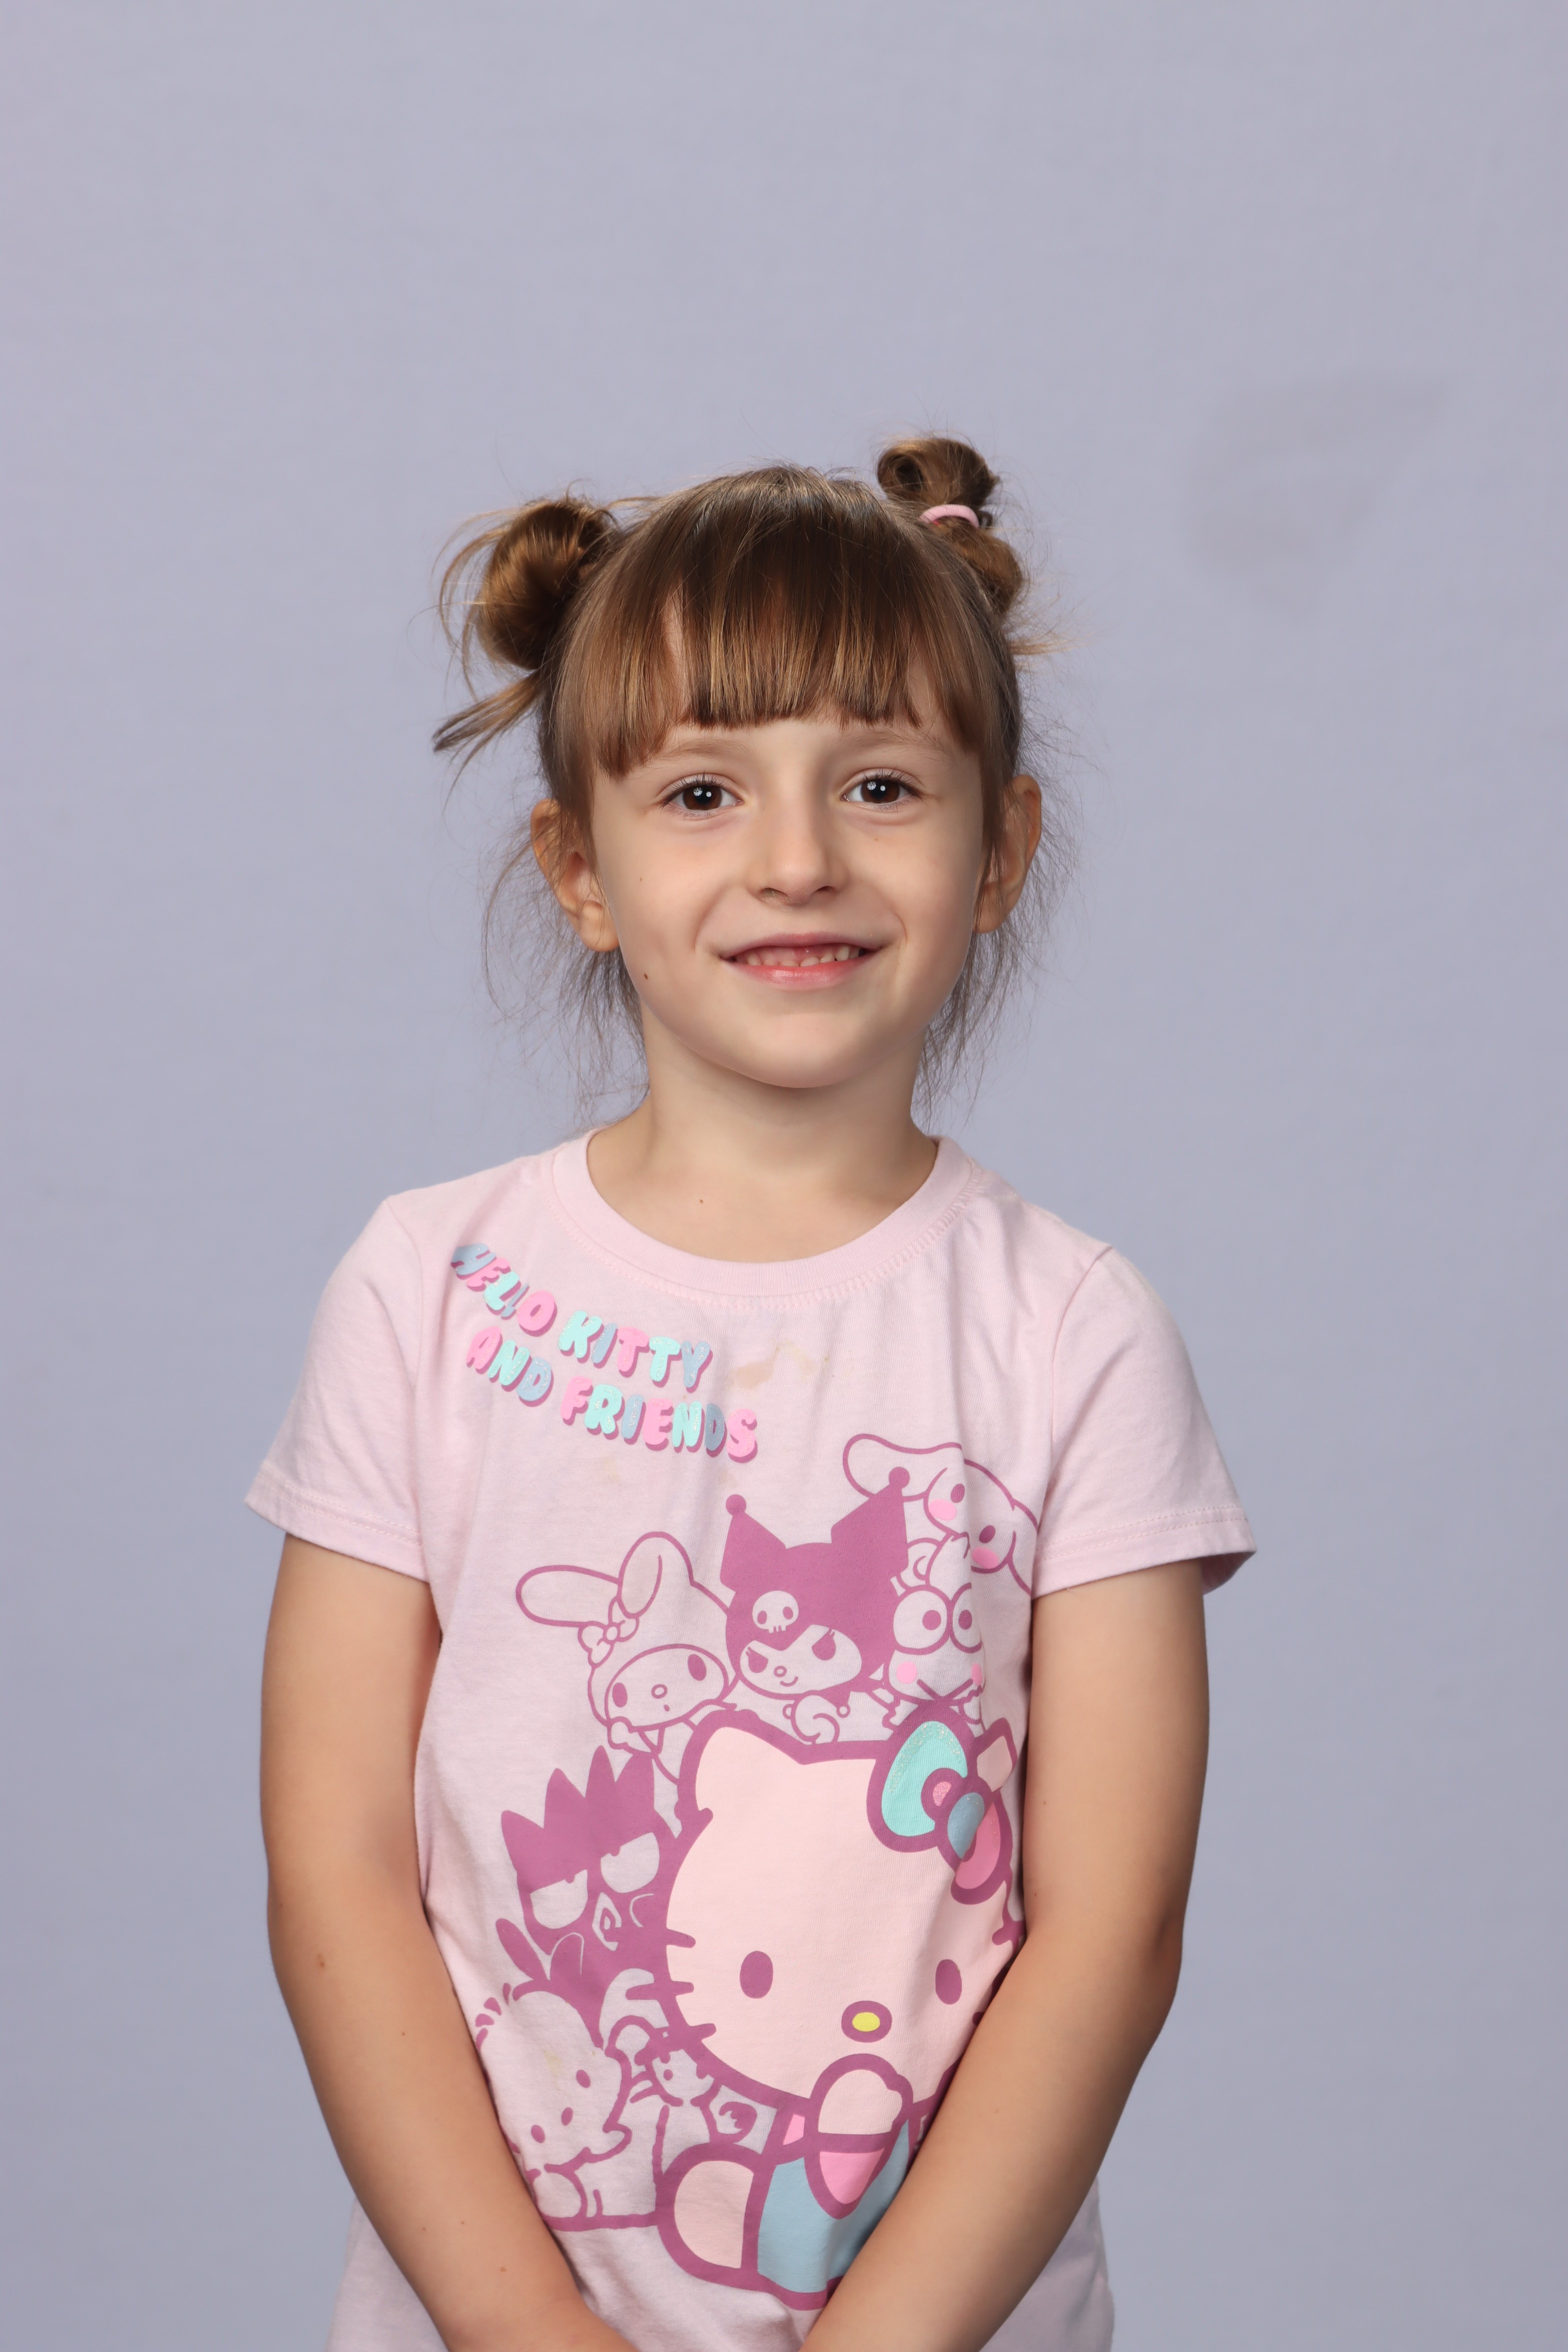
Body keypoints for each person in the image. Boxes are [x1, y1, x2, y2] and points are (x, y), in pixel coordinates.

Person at [253, 436, 1254, 2352]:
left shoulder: (1070, 1332)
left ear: (999, 851)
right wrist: (526, 2334)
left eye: (879, 786)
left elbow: (1109, 1931)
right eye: (703, 792)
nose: (798, 858)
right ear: (580, 870)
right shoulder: (429, 1290)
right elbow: (339, 1874)